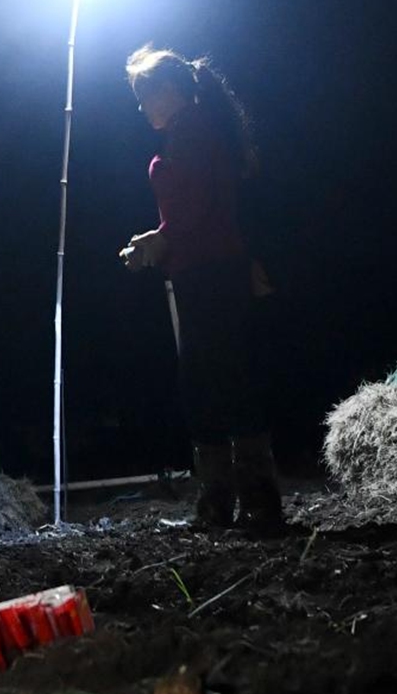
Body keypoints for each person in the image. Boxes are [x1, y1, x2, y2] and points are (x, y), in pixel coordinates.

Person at [119, 44, 284, 534]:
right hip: (207, 269)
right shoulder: (194, 131)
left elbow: (195, 211)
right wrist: (159, 238)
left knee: (217, 381)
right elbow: (193, 209)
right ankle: (235, 501)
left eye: (145, 96)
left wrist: (158, 240)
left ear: (168, 91)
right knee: (218, 380)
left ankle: (241, 501)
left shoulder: (192, 132)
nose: (142, 107)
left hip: (210, 272)